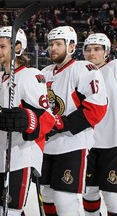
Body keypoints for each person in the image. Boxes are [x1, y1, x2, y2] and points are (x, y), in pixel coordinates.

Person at [0, 26, 55, 216]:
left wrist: (26, 119)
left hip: (20, 155)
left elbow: (47, 117)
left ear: (17, 48)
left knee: (10, 211)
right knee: (3, 210)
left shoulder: (30, 75)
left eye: (2, 47)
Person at [40, 26, 108, 216]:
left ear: (71, 47)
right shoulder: (44, 73)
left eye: (58, 44)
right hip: (46, 145)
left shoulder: (84, 69)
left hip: (72, 145)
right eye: (51, 44)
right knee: (46, 195)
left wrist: (62, 124)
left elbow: (97, 108)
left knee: (64, 199)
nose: (53, 48)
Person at [82, 33, 117, 216]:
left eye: (97, 49)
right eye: (88, 49)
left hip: (112, 143)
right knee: (89, 191)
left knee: (112, 196)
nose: (91, 53)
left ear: (106, 52)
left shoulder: (114, 68)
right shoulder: (82, 73)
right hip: (87, 143)